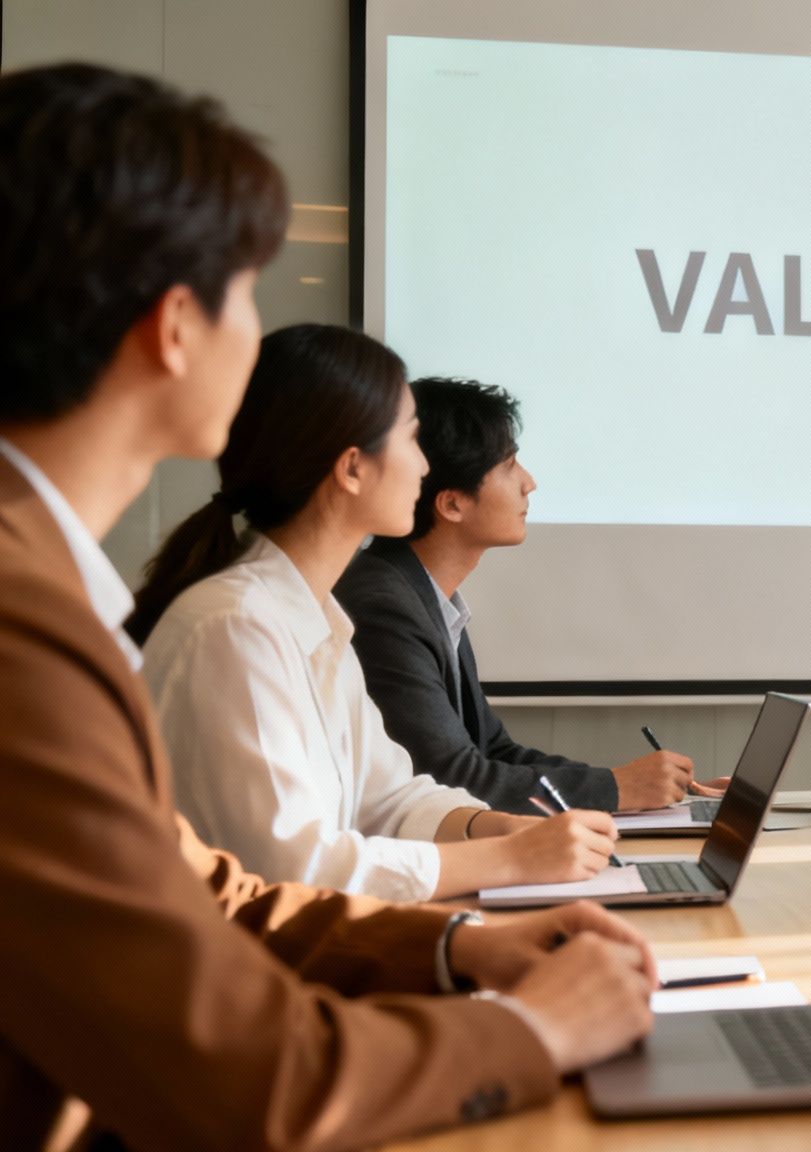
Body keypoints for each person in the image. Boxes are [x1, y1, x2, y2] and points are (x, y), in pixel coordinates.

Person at [0, 62, 652, 1149]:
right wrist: (531, 1034)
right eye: (249, 295)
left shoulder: (59, 593)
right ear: (172, 328)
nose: (258, 341)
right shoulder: (37, 626)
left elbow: (210, 891)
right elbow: (241, 1072)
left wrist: (455, 950)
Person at [128, 324, 623, 902]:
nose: (422, 464)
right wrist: (510, 857)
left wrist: (496, 826)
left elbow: (390, 796)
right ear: (352, 468)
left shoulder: (317, 616)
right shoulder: (236, 626)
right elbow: (297, 866)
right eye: (411, 439)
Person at [333, 376, 714, 812]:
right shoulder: (385, 604)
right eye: (510, 465)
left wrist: (642, 786)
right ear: (452, 503)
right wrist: (616, 789)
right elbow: (451, 776)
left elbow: (494, 750)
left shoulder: (424, 597)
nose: (528, 482)